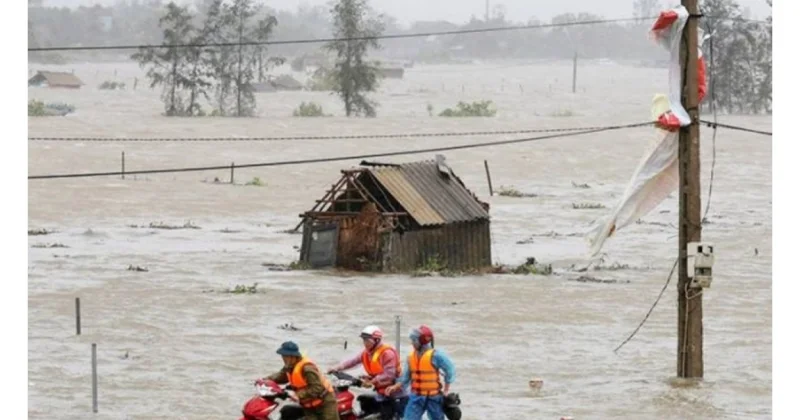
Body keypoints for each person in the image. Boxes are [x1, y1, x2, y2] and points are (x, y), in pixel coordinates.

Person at [328, 325, 408, 419]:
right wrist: (337, 368)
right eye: (364, 340)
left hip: (396, 394)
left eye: (367, 340)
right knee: (365, 405)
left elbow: (389, 374)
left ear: (376, 340)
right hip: (381, 392)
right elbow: (353, 361)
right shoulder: (367, 353)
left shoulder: (387, 353)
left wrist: (372, 381)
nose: (365, 343)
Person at [385, 325, 456, 420]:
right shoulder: (411, 357)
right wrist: (395, 387)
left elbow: (450, 370)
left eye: (414, 340)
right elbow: (406, 378)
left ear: (423, 341)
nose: (412, 343)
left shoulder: (436, 355)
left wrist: (446, 390)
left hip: (434, 397)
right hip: (416, 397)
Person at [265, 341, 340, 420]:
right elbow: (280, 376)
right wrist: (265, 380)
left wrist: (298, 395)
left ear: (293, 356)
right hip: (308, 404)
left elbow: (317, 388)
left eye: (285, 356)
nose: (283, 359)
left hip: (324, 402)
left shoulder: (307, 368)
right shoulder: (289, 366)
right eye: (283, 356)